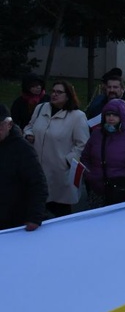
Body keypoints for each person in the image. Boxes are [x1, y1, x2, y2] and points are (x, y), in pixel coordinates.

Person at [23, 81, 89, 218]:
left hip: (59, 174)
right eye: (53, 91)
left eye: (59, 92)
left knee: (59, 214)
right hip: (38, 170)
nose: (54, 94)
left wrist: (67, 161)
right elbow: (29, 126)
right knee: (36, 210)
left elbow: (83, 144)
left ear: (68, 96)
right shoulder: (41, 109)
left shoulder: (77, 117)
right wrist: (28, 134)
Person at [81, 99, 125, 208]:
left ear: (122, 117)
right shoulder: (96, 135)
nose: (111, 118)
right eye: (108, 114)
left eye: (115, 115)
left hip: (121, 193)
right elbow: (85, 158)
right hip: (97, 193)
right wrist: (90, 175)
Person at [0, 104, 48, 231]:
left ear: (9, 125)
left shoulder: (22, 149)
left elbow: (38, 183)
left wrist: (35, 217)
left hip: (13, 220)